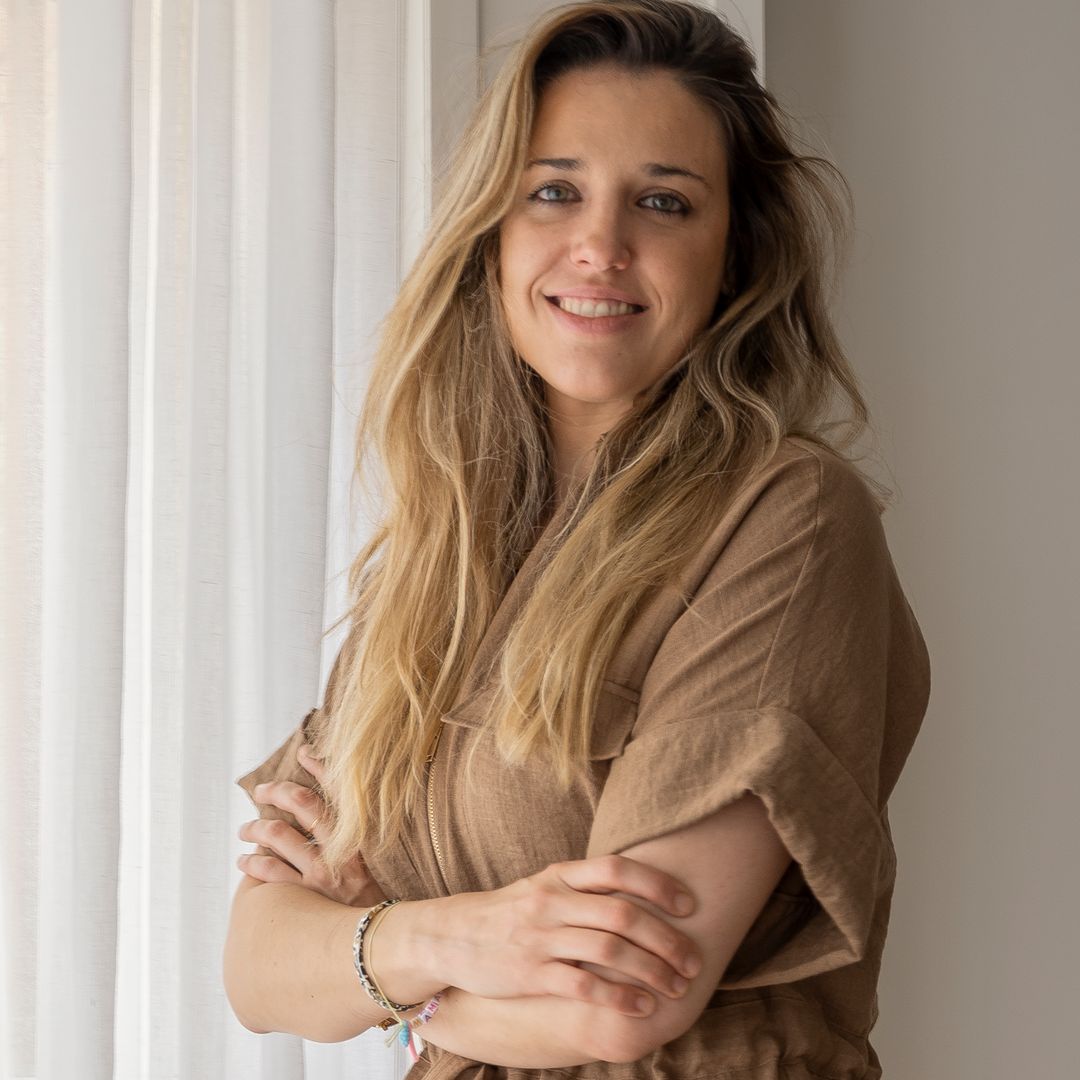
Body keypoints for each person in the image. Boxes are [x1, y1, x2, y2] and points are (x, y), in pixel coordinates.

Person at [223, 1, 931, 1077]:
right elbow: (257, 971)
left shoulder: (788, 518)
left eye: (663, 201)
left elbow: (619, 1002)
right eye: (554, 191)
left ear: (734, 255)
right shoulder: (439, 557)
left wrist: (380, 976)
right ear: (491, 236)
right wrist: (452, 939)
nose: (601, 246)